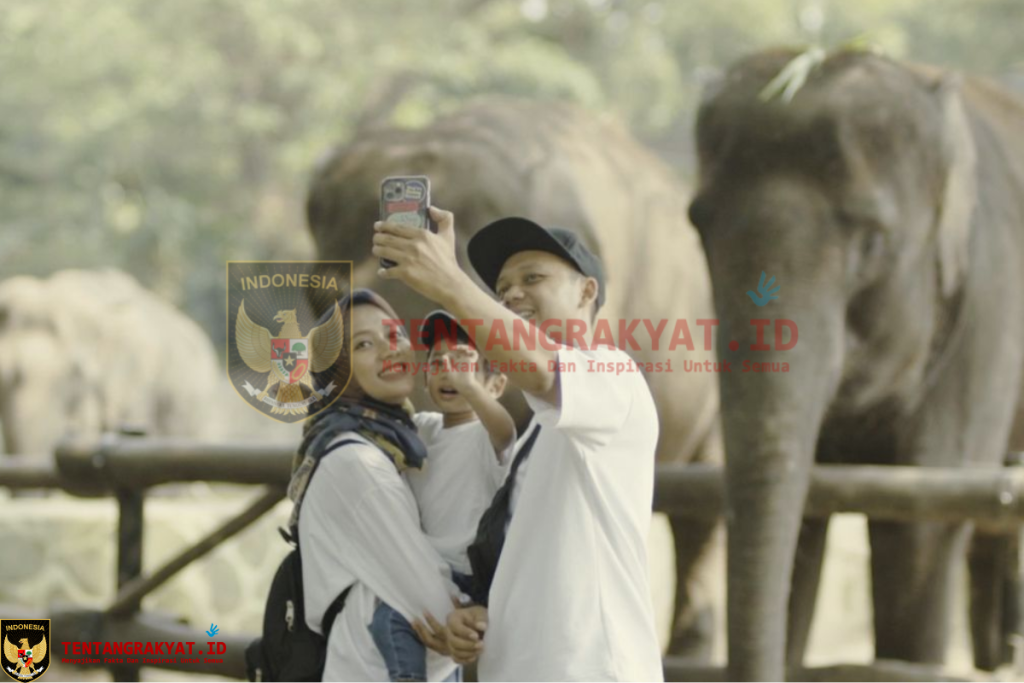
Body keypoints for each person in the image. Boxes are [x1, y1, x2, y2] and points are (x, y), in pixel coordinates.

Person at [373, 210, 664, 681]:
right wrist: (480, 616)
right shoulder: (536, 436)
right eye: (502, 288)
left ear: (587, 292)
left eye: (533, 278)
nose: (511, 294)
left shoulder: (614, 376)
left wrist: (449, 283)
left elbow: (543, 369)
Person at [294, 288, 462, 682]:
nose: (391, 349)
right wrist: (477, 617)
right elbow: (436, 613)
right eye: (364, 344)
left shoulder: (398, 441)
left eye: (395, 334)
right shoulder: (357, 463)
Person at [368, 310, 516, 682]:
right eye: (437, 364)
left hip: (466, 575)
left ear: (496, 385)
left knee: (394, 620)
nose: (449, 373)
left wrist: (471, 389)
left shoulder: (486, 437)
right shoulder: (423, 428)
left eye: (465, 364)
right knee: (430, 648)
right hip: (424, 569)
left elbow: (505, 431)